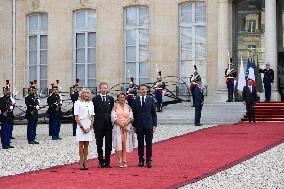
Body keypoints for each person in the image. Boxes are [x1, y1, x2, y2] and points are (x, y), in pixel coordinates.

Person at [132, 84, 157, 168]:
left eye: (145, 89)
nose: (144, 91)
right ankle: (141, 160)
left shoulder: (151, 100)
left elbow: (154, 113)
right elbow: (134, 114)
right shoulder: (135, 101)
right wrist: (134, 125)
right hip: (139, 125)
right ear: (139, 90)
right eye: (142, 89)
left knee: (149, 143)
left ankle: (149, 160)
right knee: (140, 143)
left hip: (149, 125)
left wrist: (154, 125)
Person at [92, 82, 114, 168]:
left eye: (105, 88)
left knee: (108, 144)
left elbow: (112, 110)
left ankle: (107, 162)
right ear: (100, 89)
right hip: (98, 125)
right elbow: (93, 112)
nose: (104, 89)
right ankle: (100, 162)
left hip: (108, 125)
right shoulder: (95, 99)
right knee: (99, 144)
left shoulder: (111, 99)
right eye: (103, 88)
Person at [111, 92, 134, 168]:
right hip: (118, 127)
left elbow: (131, 116)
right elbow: (113, 117)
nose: (122, 99)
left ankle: (124, 160)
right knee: (119, 144)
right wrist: (121, 124)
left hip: (126, 128)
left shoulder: (128, 107)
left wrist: (126, 123)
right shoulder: (115, 107)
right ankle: (119, 161)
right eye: (120, 97)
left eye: (123, 97)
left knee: (125, 144)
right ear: (118, 98)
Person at [74, 88, 95, 170]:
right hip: (81, 125)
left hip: (88, 125)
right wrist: (82, 127)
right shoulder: (77, 103)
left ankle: (86, 162)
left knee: (86, 145)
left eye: (88, 93)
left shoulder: (91, 103)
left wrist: (90, 127)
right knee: (81, 144)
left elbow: (93, 116)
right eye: (85, 93)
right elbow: (76, 116)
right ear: (82, 94)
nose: (87, 94)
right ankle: (81, 162)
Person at [0, 80, 15, 149]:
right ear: (4, 91)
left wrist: (12, 106)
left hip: (10, 116)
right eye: (6, 91)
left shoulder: (9, 98)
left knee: (9, 131)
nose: (7, 92)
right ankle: (4, 144)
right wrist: (8, 108)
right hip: (4, 116)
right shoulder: (1, 99)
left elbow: (13, 105)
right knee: (4, 131)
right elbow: (1, 107)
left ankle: (8, 143)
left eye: (8, 90)